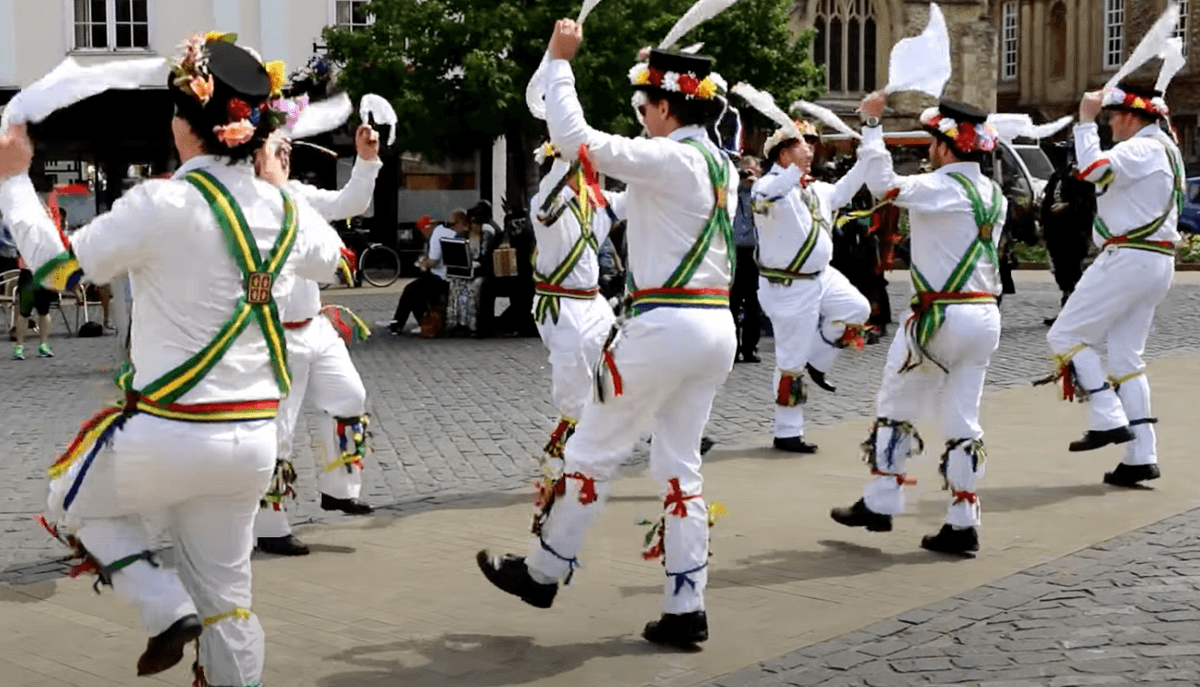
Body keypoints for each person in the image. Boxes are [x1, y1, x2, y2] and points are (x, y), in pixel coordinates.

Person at [0, 34, 343, 684]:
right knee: (231, 602)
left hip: (171, 433)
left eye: (176, 113)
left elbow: (58, 269)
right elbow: (336, 258)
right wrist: (277, 186)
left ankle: (163, 607)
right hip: (252, 446)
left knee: (68, 499)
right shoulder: (287, 210)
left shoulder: (162, 203)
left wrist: (14, 180)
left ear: (189, 128)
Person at [477, 20, 737, 647]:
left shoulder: (669, 156)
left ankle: (543, 572)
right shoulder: (717, 164)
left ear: (668, 107)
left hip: (663, 327)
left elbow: (573, 137)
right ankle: (686, 605)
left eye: (646, 107)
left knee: (592, 450)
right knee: (680, 468)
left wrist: (559, 62)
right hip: (715, 328)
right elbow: (624, 206)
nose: (642, 118)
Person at [830, 93, 1007, 557]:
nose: (929, 151)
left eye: (933, 143)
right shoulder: (995, 196)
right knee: (963, 417)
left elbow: (883, 183)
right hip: (985, 315)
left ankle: (882, 500)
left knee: (897, 400)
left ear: (948, 148)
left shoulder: (940, 187)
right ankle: (963, 519)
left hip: (939, 317)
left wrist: (871, 125)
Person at [1041, 82, 1183, 487]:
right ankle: (1141, 454)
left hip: (1128, 257)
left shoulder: (1140, 148)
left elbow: (1092, 171)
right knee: (1125, 358)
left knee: (1065, 335)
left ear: (1130, 117)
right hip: (1156, 262)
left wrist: (1084, 122)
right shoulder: (1167, 148)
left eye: (1111, 118)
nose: (1110, 126)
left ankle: (1107, 415)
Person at [252, 121, 383, 556]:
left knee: (350, 396)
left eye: (288, 149)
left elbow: (352, 202)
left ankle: (340, 489)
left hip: (315, 326)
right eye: (277, 149)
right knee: (277, 431)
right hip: (275, 338)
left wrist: (365, 160)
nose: (286, 154)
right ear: (254, 157)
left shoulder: (300, 196)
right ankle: (269, 525)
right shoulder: (245, 208)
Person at [751, 118, 870, 454]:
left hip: (822, 277)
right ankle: (787, 432)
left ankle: (818, 362)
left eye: (813, 143)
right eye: (802, 143)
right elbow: (767, 195)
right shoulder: (768, 187)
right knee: (790, 359)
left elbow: (845, 191)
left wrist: (868, 158)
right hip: (786, 285)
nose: (811, 149)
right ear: (782, 151)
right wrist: (793, 171)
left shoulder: (815, 189)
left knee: (857, 310)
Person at [529, 142, 623, 477]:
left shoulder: (597, 204)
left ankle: (656, 433)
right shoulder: (544, 206)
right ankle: (566, 453)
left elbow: (634, 200)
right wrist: (564, 153)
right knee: (573, 378)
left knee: (620, 362)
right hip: (561, 305)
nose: (591, 173)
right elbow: (549, 195)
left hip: (594, 302)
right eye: (583, 167)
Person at [1040, 156, 1095, 325]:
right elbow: (1048, 197)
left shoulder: (1085, 177)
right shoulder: (1057, 175)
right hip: (1056, 231)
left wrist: (1068, 206)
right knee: (1061, 271)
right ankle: (1066, 310)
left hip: (1074, 232)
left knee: (1074, 270)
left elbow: (1089, 203)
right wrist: (1043, 220)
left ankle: (1078, 312)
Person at [390, 212, 460, 334]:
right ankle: (416, 321)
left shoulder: (435, 237)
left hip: (443, 277)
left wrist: (422, 264)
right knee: (415, 289)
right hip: (450, 274)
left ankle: (400, 324)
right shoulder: (444, 232)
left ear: (426, 229)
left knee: (410, 290)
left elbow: (433, 261)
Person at [731, 155, 763, 363]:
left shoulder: (762, 195)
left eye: (754, 171)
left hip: (755, 254)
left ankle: (750, 348)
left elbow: (770, 217)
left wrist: (757, 188)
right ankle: (732, 349)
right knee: (732, 303)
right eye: (746, 172)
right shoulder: (730, 193)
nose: (749, 176)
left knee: (754, 304)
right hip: (732, 253)